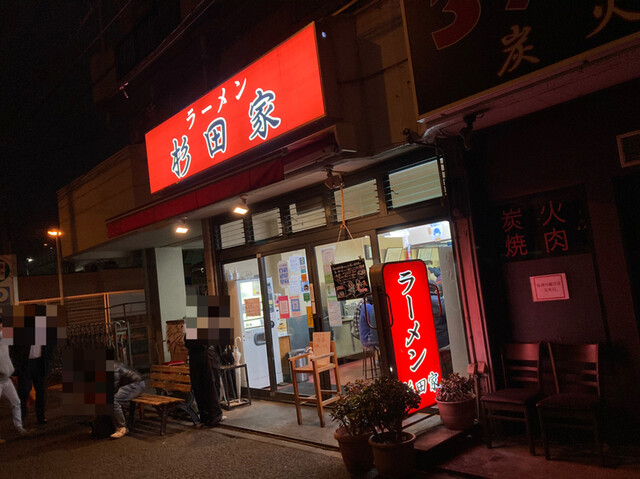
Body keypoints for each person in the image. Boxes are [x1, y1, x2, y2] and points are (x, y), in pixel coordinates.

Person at [184, 333, 225, 427]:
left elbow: (187, 343)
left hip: (196, 358)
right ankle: (214, 416)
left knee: (201, 387)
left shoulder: (192, 328)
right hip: (208, 357)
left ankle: (206, 416)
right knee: (211, 387)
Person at [0, 318, 29, 444]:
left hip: (6, 378)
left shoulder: (5, 336)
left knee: (16, 402)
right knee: (16, 403)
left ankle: (19, 427)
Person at [12, 342, 53, 425]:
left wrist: (48, 360)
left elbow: (50, 346)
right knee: (23, 391)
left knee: (41, 391)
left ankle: (41, 416)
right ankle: (22, 414)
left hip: (40, 363)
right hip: (25, 363)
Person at [110, 361, 145, 439]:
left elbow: (114, 386)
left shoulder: (113, 369)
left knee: (114, 401)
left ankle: (122, 428)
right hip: (128, 384)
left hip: (136, 384)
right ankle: (106, 427)